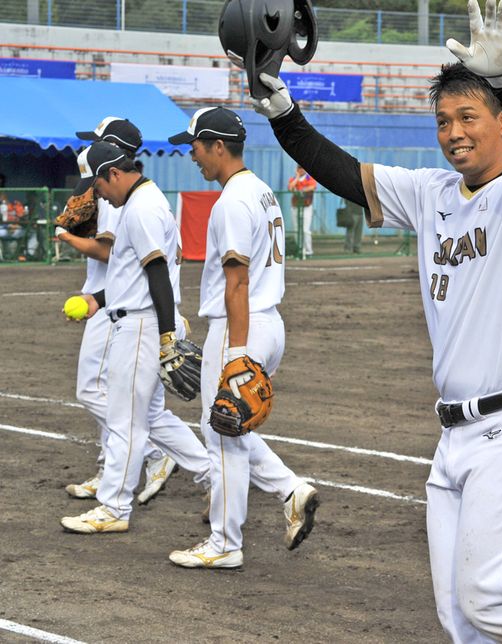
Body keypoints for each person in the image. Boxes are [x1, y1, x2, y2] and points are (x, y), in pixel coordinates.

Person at [244, 0, 502, 638]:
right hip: (451, 437)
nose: (454, 131)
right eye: (443, 120)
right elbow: (339, 170)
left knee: (487, 597)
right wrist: (282, 110)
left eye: (469, 117)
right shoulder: (429, 192)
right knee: (458, 616)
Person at [166, 107, 319, 569]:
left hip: (242, 324)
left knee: (222, 435)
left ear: (216, 145)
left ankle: (225, 543)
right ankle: (290, 489)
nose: (190, 153)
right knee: (234, 424)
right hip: (268, 323)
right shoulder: (260, 189)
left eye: (194, 145)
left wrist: (234, 352)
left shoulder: (232, 199)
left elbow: (237, 281)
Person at [60, 142, 211, 534]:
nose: (97, 196)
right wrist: (98, 300)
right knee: (142, 418)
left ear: (113, 173)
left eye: (98, 187)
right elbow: (135, 276)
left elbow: (156, 272)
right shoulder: (142, 201)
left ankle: (113, 508)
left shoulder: (141, 206)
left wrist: (165, 335)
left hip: (143, 324)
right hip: (136, 317)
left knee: (125, 421)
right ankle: (216, 477)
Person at [57, 118, 177, 505]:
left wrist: (66, 237)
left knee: (98, 391)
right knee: (134, 400)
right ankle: (115, 463)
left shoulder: (116, 198)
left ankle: (147, 453)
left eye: (96, 143)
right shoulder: (124, 195)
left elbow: (110, 253)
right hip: (114, 301)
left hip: (121, 304)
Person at [287, 164, 316, 257]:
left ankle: (308, 251)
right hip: (295, 206)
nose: (301, 169)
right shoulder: (293, 178)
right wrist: (297, 177)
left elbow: (313, 187)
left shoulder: (308, 178)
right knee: (296, 229)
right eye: (299, 168)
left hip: (306, 206)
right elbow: (291, 188)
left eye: (302, 167)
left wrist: (300, 190)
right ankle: (300, 249)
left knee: (305, 230)